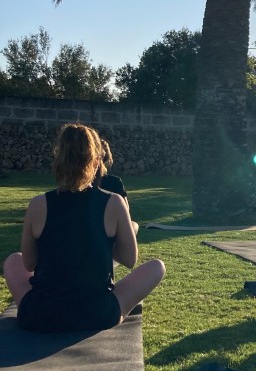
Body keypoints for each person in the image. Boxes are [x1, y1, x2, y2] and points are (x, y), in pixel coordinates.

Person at [3, 123, 165, 332]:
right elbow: (129, 259)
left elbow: (29, 263)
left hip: (40, 314)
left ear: (58, 159)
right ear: (96, 162)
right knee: (157, 267)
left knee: (12, 260)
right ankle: (114, 311)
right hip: (96, 314)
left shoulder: (38, 204)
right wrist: (98, 244)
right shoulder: (113, 202)